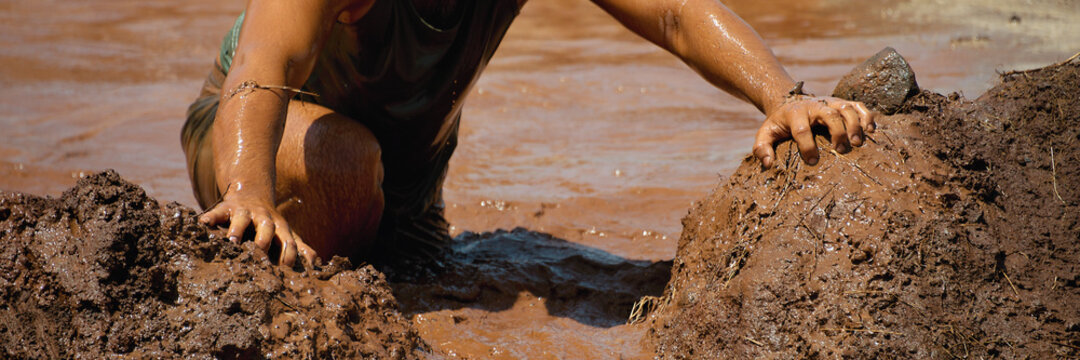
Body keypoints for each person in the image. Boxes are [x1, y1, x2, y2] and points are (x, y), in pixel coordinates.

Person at [182, 0, 878, 267]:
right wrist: (249, 189)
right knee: (342, 165)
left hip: (407, 179)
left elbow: (673, 13)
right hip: (255, 137)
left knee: (427, 269)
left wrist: (784, 98)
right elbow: (264, 65)